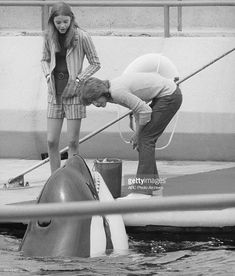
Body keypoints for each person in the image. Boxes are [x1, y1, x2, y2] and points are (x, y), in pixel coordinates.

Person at [80, 72, 182, 194]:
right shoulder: (111, 93)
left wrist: (138, 134)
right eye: (91, 102)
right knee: (144, 141)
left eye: (94, 99)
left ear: (100, 92)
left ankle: (143, 190)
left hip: (169, 96)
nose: (95, 104)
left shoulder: (116, 92)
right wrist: (137, 132)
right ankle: (152, 184)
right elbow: (138, 109)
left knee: (145, 140)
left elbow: (144, 110)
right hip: (164, 95)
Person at [41, 2, 101, 173]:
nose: (62, 26)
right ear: (52, 21)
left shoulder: (81, 36)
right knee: (52, 140)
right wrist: (47, 75)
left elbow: (95, 63)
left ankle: (72, 177)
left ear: (71, 19)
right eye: (58, 22)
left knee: (73, 142)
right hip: (54, 93)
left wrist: (78, 80)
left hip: (74, 94)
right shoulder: (49, 36)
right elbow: (44, 59)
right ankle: (55, 177)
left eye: (65, 22)